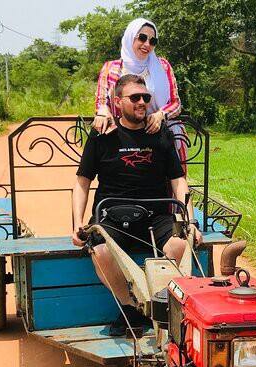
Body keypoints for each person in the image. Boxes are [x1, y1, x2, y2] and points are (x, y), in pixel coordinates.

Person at [72, 74, 202, 336]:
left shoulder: (160, 133)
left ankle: (159, 304)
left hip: (156, 214)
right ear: (118, 102)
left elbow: (178, 181)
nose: (142, 102)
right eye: (135, 97)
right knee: (101, 251)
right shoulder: (102, 135)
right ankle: (132, 308)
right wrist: (77, 224)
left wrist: (190, 222)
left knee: (179, 245)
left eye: (146, 97)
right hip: (112, 214)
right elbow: (82, 182)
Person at [92, 18, 187, 165]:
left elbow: (175, 103)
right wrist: (103, 111)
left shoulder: (162, 66)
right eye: (142, 38)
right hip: (123, 138)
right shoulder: (111, 68)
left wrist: (160, 115)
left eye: (153, 41)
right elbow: (102, 101)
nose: (147, 44)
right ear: (130, 37)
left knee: (168, 177)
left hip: (157, 134)